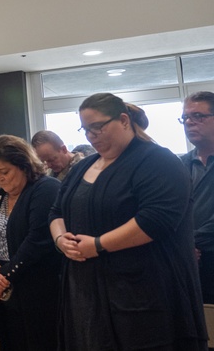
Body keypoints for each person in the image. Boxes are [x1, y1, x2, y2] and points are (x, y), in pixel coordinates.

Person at [49, 92, 207, 351]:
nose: (91, 136)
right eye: (86, 129)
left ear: (123, 120)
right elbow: (56, 211)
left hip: (144, 296)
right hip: (86, 296)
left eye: (97, 127)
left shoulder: (158, 160)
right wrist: (60, 239)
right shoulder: (81, 167)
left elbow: (157, 219)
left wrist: (98, 244)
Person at [0, 135, 61, 351]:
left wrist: (4, 275)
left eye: (4, 172)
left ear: (24, 165)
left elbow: (38, 239)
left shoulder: (45, 188)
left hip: (38, 285)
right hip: (3, 285)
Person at [180, 91, 214, 303]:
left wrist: (190, 242)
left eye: (198, 116)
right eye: (185, 118)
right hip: (188, 263)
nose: (189, 122)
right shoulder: (179, 165)